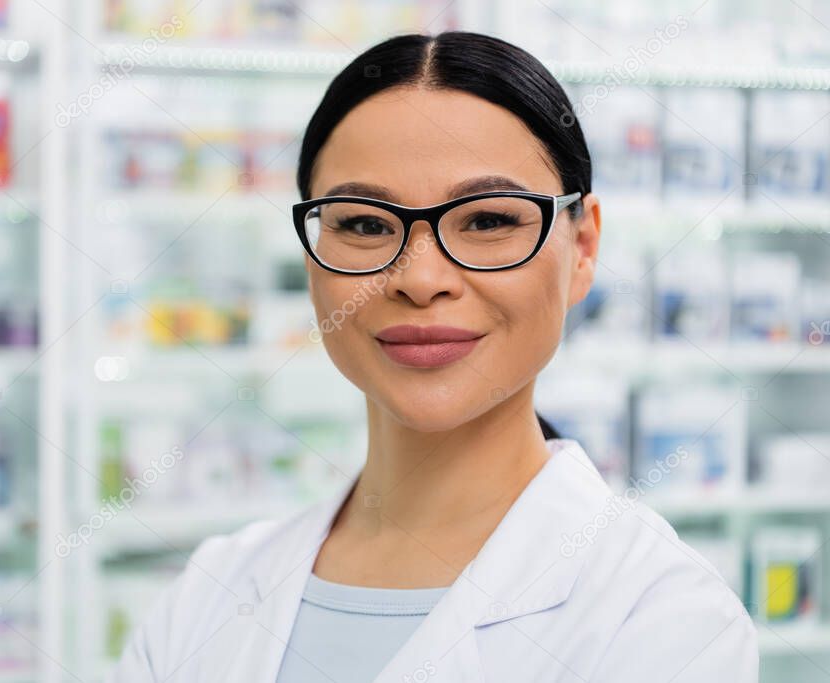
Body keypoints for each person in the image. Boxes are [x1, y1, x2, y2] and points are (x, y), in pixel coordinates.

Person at [109, 31, 758, 682]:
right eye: (364, 224)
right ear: (311, 253)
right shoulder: (207, 594)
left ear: (583, 247)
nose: (420, 279)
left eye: (487, 220)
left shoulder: (666, 618)